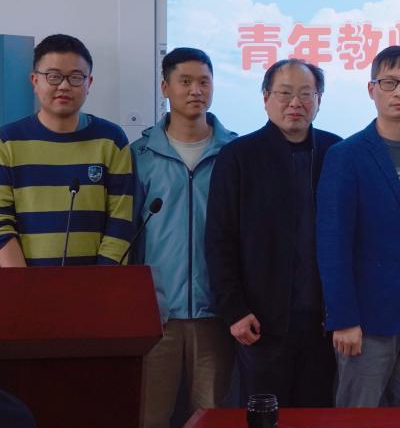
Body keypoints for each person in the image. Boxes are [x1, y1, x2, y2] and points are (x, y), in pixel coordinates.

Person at [317, 46, 400, 407]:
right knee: (358, 415)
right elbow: (332, 244)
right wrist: (343, 318)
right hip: (365, 318)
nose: (399, 92)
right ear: (371, 89)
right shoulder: (346, 155)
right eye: (389, 82)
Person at [205, 59, 340, 407]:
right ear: (266, 98)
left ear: (319, 100)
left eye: (306, 94)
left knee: (316, 415)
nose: (295, 103)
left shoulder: (336, 152)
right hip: (260, 322)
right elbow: (219, 240)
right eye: (284, 93)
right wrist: (234, 310)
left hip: (323, 324)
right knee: (265, 414)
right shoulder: (238, 156)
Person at [131, 48, 236, 427]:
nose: (196, 90)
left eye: (204, 82)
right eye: (185, 82)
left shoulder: (234, 153)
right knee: (149, 415)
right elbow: (127, 234)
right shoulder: (140, 155)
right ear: (165, 87)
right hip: (157, 316)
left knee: (213, 416)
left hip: (216, 313)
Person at [0, 34, 133, 267]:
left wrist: (101, 281)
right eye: (53, 76)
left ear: (88, 83)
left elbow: (121, 220)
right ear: (34, 81)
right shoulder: (7, 141)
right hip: (25, 282)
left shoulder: (111, 140)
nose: (64, 86)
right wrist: (24, 284)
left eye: (75, 77)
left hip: (95, 283)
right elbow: (2, 222)